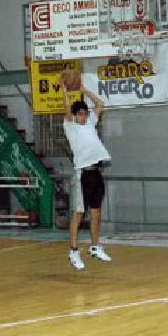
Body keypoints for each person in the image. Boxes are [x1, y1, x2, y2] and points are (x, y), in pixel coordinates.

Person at [62, 81, 112, 270]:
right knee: (79, 213)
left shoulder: (90, 123)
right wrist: (65, 91)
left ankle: (94, 246)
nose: (83, 116)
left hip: (96, 173)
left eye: (84, 113)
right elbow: (67, 108)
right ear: (75, 116)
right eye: (80, 114)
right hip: (82, 174)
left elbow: (99, 104)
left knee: (96, 212)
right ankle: (73, 251)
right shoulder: (70, 126)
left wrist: (84, 91)